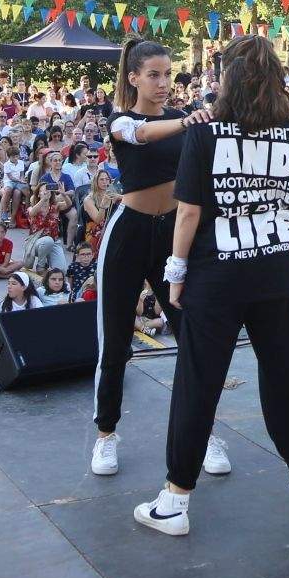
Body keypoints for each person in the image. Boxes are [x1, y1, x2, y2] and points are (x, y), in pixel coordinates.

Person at [132, 34, 289, 537]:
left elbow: (189, 212)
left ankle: (176, 499)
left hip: (215, 278)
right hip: (273, 276)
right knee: (284, 378)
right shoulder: (288, 134)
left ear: (229, 78)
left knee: (198, 383)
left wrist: (175, 273)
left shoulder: (205, 132)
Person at [91, 39, 211, 477]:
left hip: (174, 235)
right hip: (128, 233)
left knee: (192, 337)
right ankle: (106, 434)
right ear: (134, 77)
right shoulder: (120, 120)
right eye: (154, 75)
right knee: (115, 341)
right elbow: (141, 134)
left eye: (168, 75)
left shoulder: (185, 120)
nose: (163, 83)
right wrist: (187, 122)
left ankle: (202, 434)